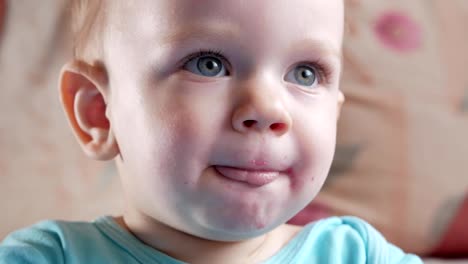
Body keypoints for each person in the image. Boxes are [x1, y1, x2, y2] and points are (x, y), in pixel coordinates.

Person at [0, 0, 423, 263]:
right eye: (209, 63)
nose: (268, 109)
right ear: (99, 113)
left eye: (306, 73)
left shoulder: (357, 255)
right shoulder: (50, 257)